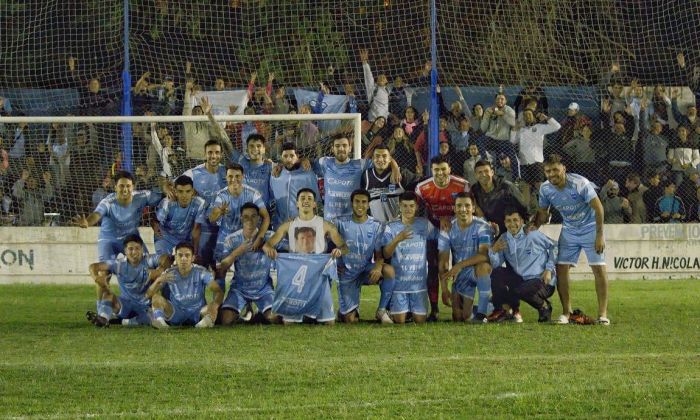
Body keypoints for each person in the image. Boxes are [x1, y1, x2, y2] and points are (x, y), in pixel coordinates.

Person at [533, 154, 610, 325]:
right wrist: (532, 228)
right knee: (561, 269)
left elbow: (599, 208)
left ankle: (603, 314)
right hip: (569, 230)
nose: (552, 174)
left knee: (598, 269)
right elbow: (543, 213)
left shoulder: (579, 183)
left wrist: (599, 235)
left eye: (555, 170)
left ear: (564, 169)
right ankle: (567, 313)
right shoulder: (545, 189)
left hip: (590, 228)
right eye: (548, 171)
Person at [415, 156, 470, 321]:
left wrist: (451, 220)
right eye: (436, 170)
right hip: (433, 230)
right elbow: (418, 212)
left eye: (443, 169)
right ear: (431, 171)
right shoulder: (422, 188)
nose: (440, 173)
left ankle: (459, 303)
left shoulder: (462, 185)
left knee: (460, 267)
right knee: (433, 268)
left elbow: (468, 208)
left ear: (450, 169)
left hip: (457, 229)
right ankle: (434, 309)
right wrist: (439, 221)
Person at [487, 208, 557, 323]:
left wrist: (549, 269)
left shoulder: (532, 234)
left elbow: (554, 246)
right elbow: (496, 265)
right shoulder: (504, 239)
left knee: (521, 290)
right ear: (504, 223)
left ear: (522, 221)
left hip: (543, 281)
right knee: (497, 273)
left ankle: (544, 307)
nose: (512, 224)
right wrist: (493, 251)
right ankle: (505, 311)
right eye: (508, 221)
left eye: (515, 220)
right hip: (521, 281)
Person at [336, 189, 396, 324]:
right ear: (351, 203)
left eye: (364, 202)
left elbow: (379, 253)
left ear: (368, 205)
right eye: (357, 201)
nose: (360, 205)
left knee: (389, 271)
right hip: (346, 273)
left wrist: (378, 267)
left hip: (365, 270)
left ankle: (382, 311)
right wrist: (335, 264)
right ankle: (343, 312)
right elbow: (327, 245)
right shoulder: (339, 223)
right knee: (350, 320)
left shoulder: (376, 225)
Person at [74, 171, 162, 262]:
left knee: (145, 266)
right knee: (103, 274)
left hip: (132, 238)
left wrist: (155, 220)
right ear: (115, 187)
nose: (125, 189)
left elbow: (164, 198)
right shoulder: (108, 201)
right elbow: (97, 214)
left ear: (133, 187)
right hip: (109, 240)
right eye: (121, 186)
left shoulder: (143, 196)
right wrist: (87, 222)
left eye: (128, 186)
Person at [86, 235, 172, 327]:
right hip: (125, 304)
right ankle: (104, 319)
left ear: (142, 250)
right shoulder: (119, 264)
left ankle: (120, 322)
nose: (134, 252)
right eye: (130, 249)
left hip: (145, 306)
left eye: (137, 248)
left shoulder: (149, 261)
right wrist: (96, 278)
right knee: (108, 295)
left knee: (150, 318)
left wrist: (160, 270)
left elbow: (167, 258)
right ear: (125, 251)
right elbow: (93, 266)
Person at [209, 162, 270, 290]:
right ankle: (217, 306)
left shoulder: (253, 194)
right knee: (220, 272)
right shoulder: (221, 195)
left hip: (247, 238)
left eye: (237, 176)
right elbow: (212, 219)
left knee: (249, 273)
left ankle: (249, 305)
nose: (234, 179)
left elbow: (266, 217)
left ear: (243, 177)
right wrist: (220, 212)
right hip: (225, 238)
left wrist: (260, 236)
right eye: (230, 176)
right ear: (226, 177)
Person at [381, 191, 438, 324]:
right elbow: (386, 254)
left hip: (419, 284)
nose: (408, 209)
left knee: (420, 321)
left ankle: (413, 310)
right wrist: (397, 239)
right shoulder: (391, 227)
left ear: (416, 207)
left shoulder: (424, 224)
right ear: (399, 206)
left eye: (411, 206)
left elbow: (439, 237)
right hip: (399, 284)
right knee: (399, 321)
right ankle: (393, 309)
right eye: (405, 206)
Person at [314, 134, 399, 221]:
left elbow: (380, 160)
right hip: (330, 221)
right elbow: (306, 165)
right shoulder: (324, 162)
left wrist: (395, 167)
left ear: (350, 148)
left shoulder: (359, 165)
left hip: (351, 221)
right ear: (332, 148)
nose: (341, 149)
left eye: (344, 145)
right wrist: (303, 161)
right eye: (337, 146)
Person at [437, 193, 492, 322]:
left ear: (473, 208)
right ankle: (488, 307)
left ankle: (483, 312)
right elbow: (443, 262)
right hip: (461, 274)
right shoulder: (447, 229)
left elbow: (484, 256)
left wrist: (459, 265)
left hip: (477, 270)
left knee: (483, 267)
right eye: (459, 206)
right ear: (454, 209)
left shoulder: (482, 226)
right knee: (459, 317)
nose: (463, 209)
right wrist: (444, 289)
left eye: (467, 206)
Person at [218, 203, 276, 325]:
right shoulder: (231, 239)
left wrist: (269, 246)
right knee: (225, 320)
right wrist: (237, 252)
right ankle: (244, 313)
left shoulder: (269, 236)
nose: (249, 220)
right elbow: (222, 267)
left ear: (259, 218)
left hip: (263, 288)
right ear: (241, 218)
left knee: (274, 318)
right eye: (246, 216)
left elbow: (288, 250)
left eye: (253, 216)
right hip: (240, 288)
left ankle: (257, 314)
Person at [147, 242, 224, 329]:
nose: (183, 258)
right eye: (180, 255)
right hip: (175, 312)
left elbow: (218, 292)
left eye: (187, 255)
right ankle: (161, 323)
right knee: (156, 297)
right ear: (175, 257)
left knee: (212, 306)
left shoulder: (201, 272)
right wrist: (158, 280)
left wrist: (215, 306)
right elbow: (148, 295)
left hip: (198, 313)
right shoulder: (169, 273)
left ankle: (203, 324)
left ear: (193, 258)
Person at [263, 188, 347, 257]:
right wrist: (269, 249)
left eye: (309, 199)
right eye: (302, 198)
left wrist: (339, 251)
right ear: (297, 204)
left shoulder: (326, 225)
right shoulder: (287, 226)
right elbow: (267, 245)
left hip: (318, 272)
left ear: (314, 204)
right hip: (296, 272)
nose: (306, 201)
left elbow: (345, 248)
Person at [362, 143, 419, 222]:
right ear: (372, 159)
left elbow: (421, 185)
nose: (381, 159)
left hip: (398, 227)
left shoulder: (401, 174)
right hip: (377, 228)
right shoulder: (366, 177)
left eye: (384, 156)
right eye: (377, 156)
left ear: (390, 159)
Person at [152, 175, 206, 257]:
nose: (184, 195)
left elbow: (196, 230)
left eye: (188, 191)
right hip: (166, 237)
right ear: (175, 192)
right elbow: (155, 220)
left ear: (192, 191)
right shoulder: (168, 203)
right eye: (180, 191)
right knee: (163, 261)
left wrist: (195, 252)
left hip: (186, 239)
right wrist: (155, 227)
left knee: (193, 261)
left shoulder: (200, 204)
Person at [471, 160, 528, 236]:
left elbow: (523, 207)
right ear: (475, 175)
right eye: (480, 172)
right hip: (489, 230)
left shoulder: (506, 187)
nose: (483, 174)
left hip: (510, 230)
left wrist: (524, 229)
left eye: (486, 171)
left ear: (492, 172)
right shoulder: (474, 190)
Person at [269, 142, 320, 228]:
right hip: (280, 225)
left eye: (292, 156)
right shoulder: (275, 175)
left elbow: (316, 201)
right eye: (285, 156)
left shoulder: (308, 175)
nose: (289, 159)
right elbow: (271, 198)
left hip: (303, 226)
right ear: (281, 157)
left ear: (298, 157)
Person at [481, 93, 518, 178]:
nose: (500, 101)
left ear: (506, 101)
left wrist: (502, 114)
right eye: (498, 99)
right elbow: (483, 128)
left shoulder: (509, 110)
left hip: (503, 140)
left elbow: (513, 123)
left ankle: (516, 179)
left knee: (511, 159)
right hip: (491, 139)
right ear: (495, 100)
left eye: (502, 99)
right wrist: (487, 116)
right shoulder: (489, 110)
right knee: (479, 142)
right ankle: (490, 173)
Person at [360, 49, 389, 122]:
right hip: (373, 120)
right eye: (380, 77)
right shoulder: (373, 89)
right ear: (376, 81)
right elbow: (368, 76)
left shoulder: (388, 90)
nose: (382, 78)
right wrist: (364, 62)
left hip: (383, 122)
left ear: (386, 81)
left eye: (384, 77)